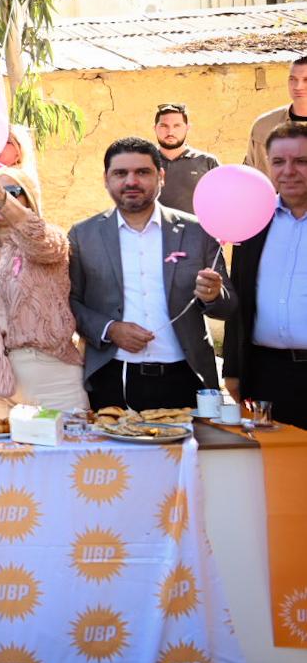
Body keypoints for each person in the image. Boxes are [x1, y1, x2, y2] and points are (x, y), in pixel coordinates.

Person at [68, 137, 235, 411]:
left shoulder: (198, 232)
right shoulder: (83, 235)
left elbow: (228, 307)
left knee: (191, 442)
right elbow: (70, 302)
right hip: (112, 376)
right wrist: (110, 329)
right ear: (106, 179)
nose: (131, 181)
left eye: (142, 172)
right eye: (120, 173)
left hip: (187, 376)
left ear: (161, 177)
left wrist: (214, 295)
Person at [0, 166, 87, 414]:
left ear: (28, 199)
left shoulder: (48, 239)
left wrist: (3, 199)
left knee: (65, 440)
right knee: (1, 442)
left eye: (11, 191)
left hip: (49, 373)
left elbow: (40, 240)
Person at [223, 121, 307, 427]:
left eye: (301, 161)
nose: (289, 171)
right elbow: (238, 297)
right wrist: (233, 369)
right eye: (279, 162)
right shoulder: (254, 221)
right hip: (266, 375)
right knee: (272, 456)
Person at [244, 55, 307, 172]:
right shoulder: (264, 126)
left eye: (306, 80)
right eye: (293, 79)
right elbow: (249, 175)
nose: (298, 86)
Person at [153, 103, 219, 215]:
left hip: (197, 226)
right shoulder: (143, 162)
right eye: (164, 126)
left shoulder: (207, 162)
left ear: (187, 128)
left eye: (177, 126)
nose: (170, 132)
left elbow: (222, 201)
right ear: (155, 128)